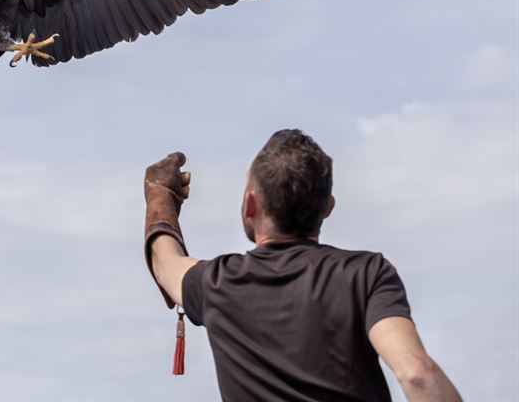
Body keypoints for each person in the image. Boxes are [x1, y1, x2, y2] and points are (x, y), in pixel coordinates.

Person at [144, 129, 461, 402]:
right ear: (328, 208)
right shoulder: (366, 274)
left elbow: (165, 262)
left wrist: (160, 197)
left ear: (250, 204)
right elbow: (417, 374)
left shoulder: (215, 283)